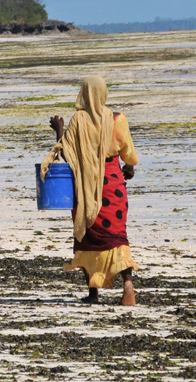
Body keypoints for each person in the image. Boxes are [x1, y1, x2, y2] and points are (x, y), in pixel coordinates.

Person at [41, 75, 139, 305]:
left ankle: (93, 294)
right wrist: (130, 169)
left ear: (84, 93)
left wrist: (59, 130)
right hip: (113, 185)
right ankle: (127, 283)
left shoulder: (78, 121)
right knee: (117, 236)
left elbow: (66, 153)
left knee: (86, 235)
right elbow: (130, 155)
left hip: (85, 185)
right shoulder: (118, 119)